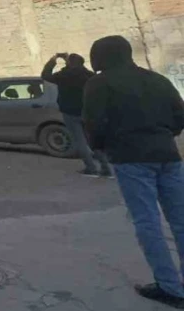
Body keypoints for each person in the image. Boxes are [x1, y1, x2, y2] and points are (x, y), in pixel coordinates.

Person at [83, 35, 184, 308]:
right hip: (168, 155)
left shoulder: (100, 83)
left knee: (147, 222)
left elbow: (93, 123)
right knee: (180, 220)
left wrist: (101, 147)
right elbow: (179, 118)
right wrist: (162, 134)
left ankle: (170, 287)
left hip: (131, 159)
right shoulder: (157, 80)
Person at [42, 52, 110, 177]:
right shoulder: (89, 75)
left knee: (80, 141)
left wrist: (54, 60)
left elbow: (45, 76)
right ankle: (106, 168)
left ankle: (91, 168)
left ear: (69, 63)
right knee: (93, 140)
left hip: (70, 112)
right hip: (88, 112)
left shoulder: (63, 75)